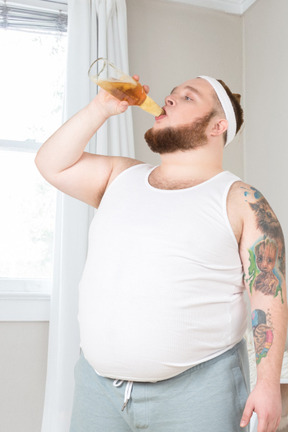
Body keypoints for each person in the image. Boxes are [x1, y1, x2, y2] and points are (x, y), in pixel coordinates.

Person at [35, 73, 287, 432]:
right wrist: (100, 108)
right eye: (170, 95)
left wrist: (267, 383)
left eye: (187, 97)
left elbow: (269, 294)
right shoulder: (119, 176)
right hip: (99, 392)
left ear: (218, 125)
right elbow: (51, 164)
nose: (168, 99)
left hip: (198, 396)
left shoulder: (241, 200)